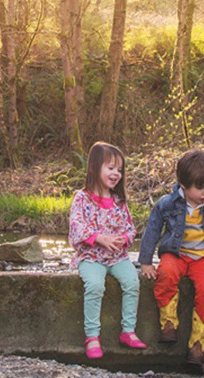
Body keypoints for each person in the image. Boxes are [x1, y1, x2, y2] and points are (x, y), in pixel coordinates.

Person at [138, 149, 204, 370]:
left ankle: (198, 344)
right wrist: (145, 262)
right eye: (199, 188)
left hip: (203, 258)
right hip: (176, 253)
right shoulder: (167, 204)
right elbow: (151, 231)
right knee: (166, 273)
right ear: (183, 184)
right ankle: (168, 322)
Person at [68, 141, 147, 359]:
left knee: (132, 282)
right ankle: (92, 336)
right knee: (94, 285)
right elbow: (76, 227)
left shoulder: (119, 201)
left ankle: (128, 331)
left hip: (117, 257)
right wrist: (99, 238)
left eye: (119, 170)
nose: (116, 174)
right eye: (110, 168)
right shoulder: (82, 198)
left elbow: (131, 228)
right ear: (95, 168)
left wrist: (124, 239)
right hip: (91, 257)